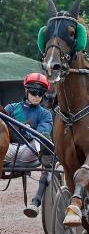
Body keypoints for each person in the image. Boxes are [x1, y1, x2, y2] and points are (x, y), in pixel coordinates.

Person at [4, 73, 53, 218]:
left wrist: (26, 132)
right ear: (26, 91)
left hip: (30, 152)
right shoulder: (11, 108)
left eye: (41, 93)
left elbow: (43, 133)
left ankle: (36, 200)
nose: (37, 96)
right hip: (9, 150)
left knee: (42, 138)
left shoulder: (45, 114)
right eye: (33, 92)